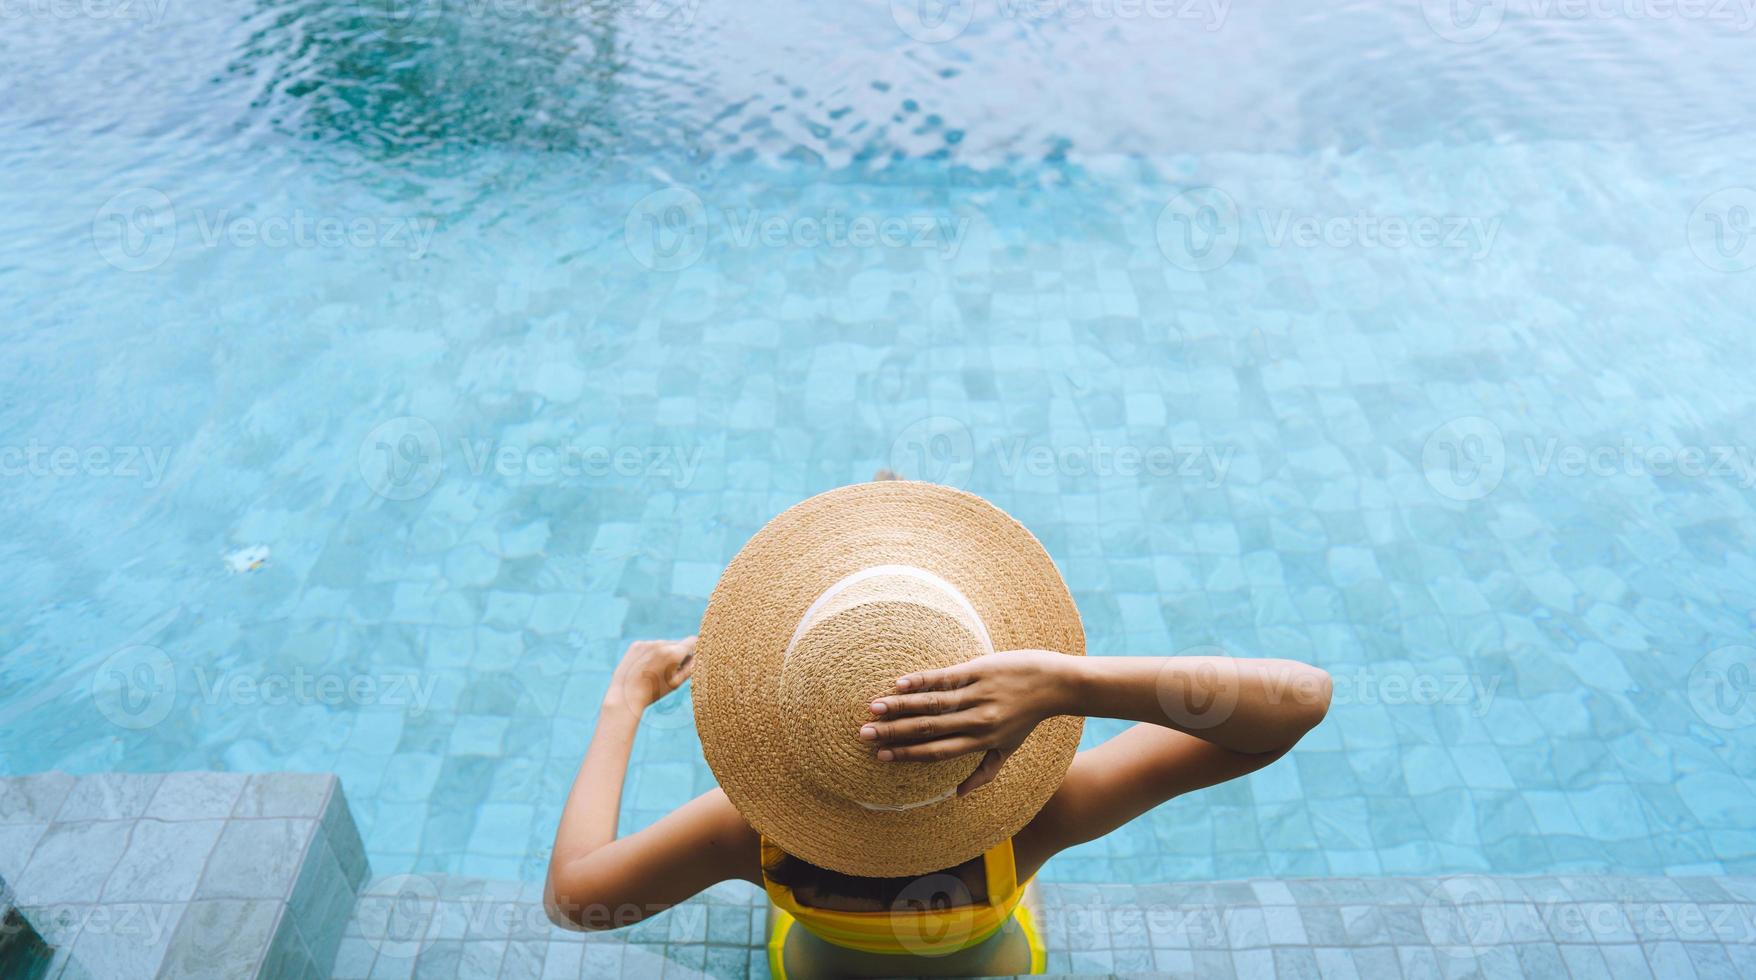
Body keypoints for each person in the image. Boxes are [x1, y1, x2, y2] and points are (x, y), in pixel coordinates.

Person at [545, 481, 1331, 977]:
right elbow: (1297, 700)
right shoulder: (1048, 815)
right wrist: (1069, 682)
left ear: (780, 736)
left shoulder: (737, 833)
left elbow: (575, 898)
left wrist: (624, 703)